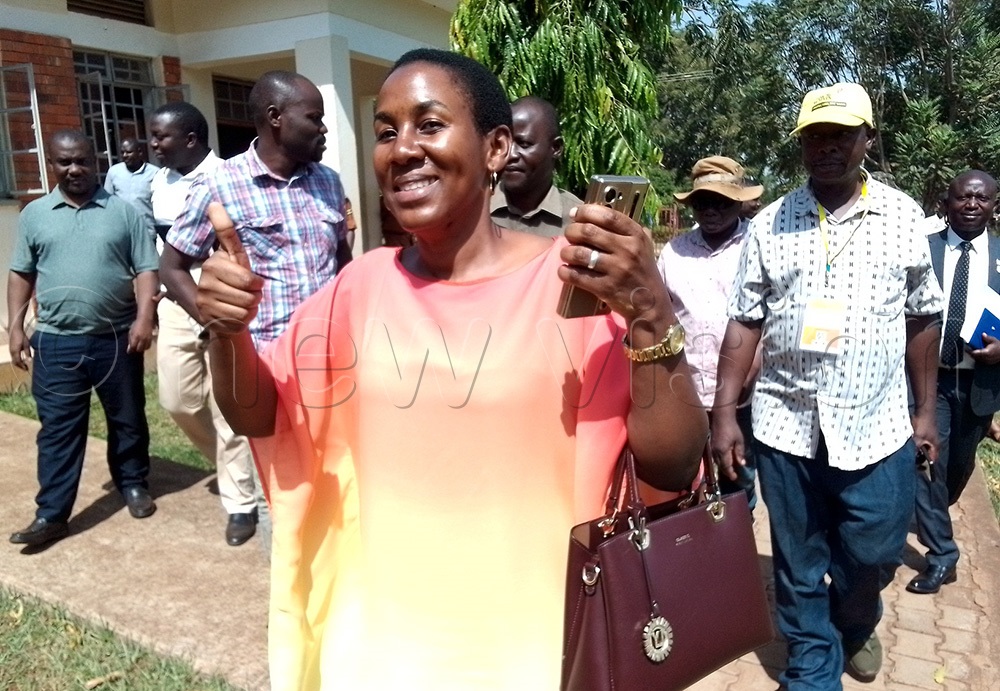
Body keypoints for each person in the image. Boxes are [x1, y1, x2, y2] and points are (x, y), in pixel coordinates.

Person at [195, 48, 707, 690]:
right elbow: (260, 415)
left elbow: (673, 466)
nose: (402, 148)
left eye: (428, 124)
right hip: (382, 647)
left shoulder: (575, 288)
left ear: (496, 149)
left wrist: (650, 311)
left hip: (535, 649)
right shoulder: (360, 287)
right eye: (386, 131)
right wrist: (227, 331)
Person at [710, 83, 944, 688]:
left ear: (867, 139)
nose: (828, 148)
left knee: (873, 555)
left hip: (877, 426)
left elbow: (923, 317)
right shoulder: (770, 223)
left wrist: (925, 413)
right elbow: (744, 321)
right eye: (815, 137)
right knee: (797, 563)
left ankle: (856, 620)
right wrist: (724, 413)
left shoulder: (903, 217)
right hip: (786, 427)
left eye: (842, 135)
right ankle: (814, 664)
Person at [165, 71, 352, 552]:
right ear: (275, 118)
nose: (324, 129)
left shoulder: (329, 183)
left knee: (335, 481)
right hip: (265, 367)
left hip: (330, 365)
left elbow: (342, 263)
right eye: (314, 118)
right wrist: (219, 324)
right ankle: (289, 597)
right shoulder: (219, 183)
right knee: (281, 496)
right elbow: (173, 266)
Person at [7, 130, 159, 547]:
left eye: (82, 161)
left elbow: (147, 268)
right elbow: (21, 272)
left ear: (95, 161)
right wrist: (15, 326)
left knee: (127, 418)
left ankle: (132, 483)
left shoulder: (123, 212)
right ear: (51, 164)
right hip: (57, 342)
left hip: (116, 338)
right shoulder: (35, 214)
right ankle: (52, 514)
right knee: (58, 429)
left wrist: (145, 317)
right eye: (64, 162)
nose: (74, 169)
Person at [149, 101, 258, 547]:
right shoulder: (160, 181)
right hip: (176, 299)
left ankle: (240, 501)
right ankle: (232, 466)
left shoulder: (228, 178)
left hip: (219, 298)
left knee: (225, 404)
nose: (153, 143)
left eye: (161, 136)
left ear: (191, 139)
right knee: (177, 397)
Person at [910, 170, 1000, 594]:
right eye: (962, 197)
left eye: (980, 199)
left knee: (957, 469)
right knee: (929, 464)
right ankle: (943, 555)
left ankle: (932, 513)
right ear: (946, 203)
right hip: (930, 381)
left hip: (980, 384)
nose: (970, 205)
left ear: (993, 205)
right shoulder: (922, 252)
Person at [658, 155, 762, 510]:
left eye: (721, 201)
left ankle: (736, 555)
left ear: (737, 202)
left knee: (737, 485)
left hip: (744, 395)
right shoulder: (674, 252)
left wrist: (754, 366)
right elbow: (660, 316)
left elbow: (776, 317)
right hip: (686, 392)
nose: (711, 210)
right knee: (684, 489)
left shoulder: (759, 244)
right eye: (703, 202)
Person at [490, 95, 583, 237]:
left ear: (556, 148)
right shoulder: (473, 209)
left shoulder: (579, 221)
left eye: (524, 144)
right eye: (505, 144)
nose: (511, 154)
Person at [103, 137, 158, 237]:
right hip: (122, 233)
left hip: (147, 234)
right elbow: (107, 202)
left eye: (128, 152)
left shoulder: (155, 173)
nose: (125, 156)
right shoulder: (114, 172)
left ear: (140, 152)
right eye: (122, 152)